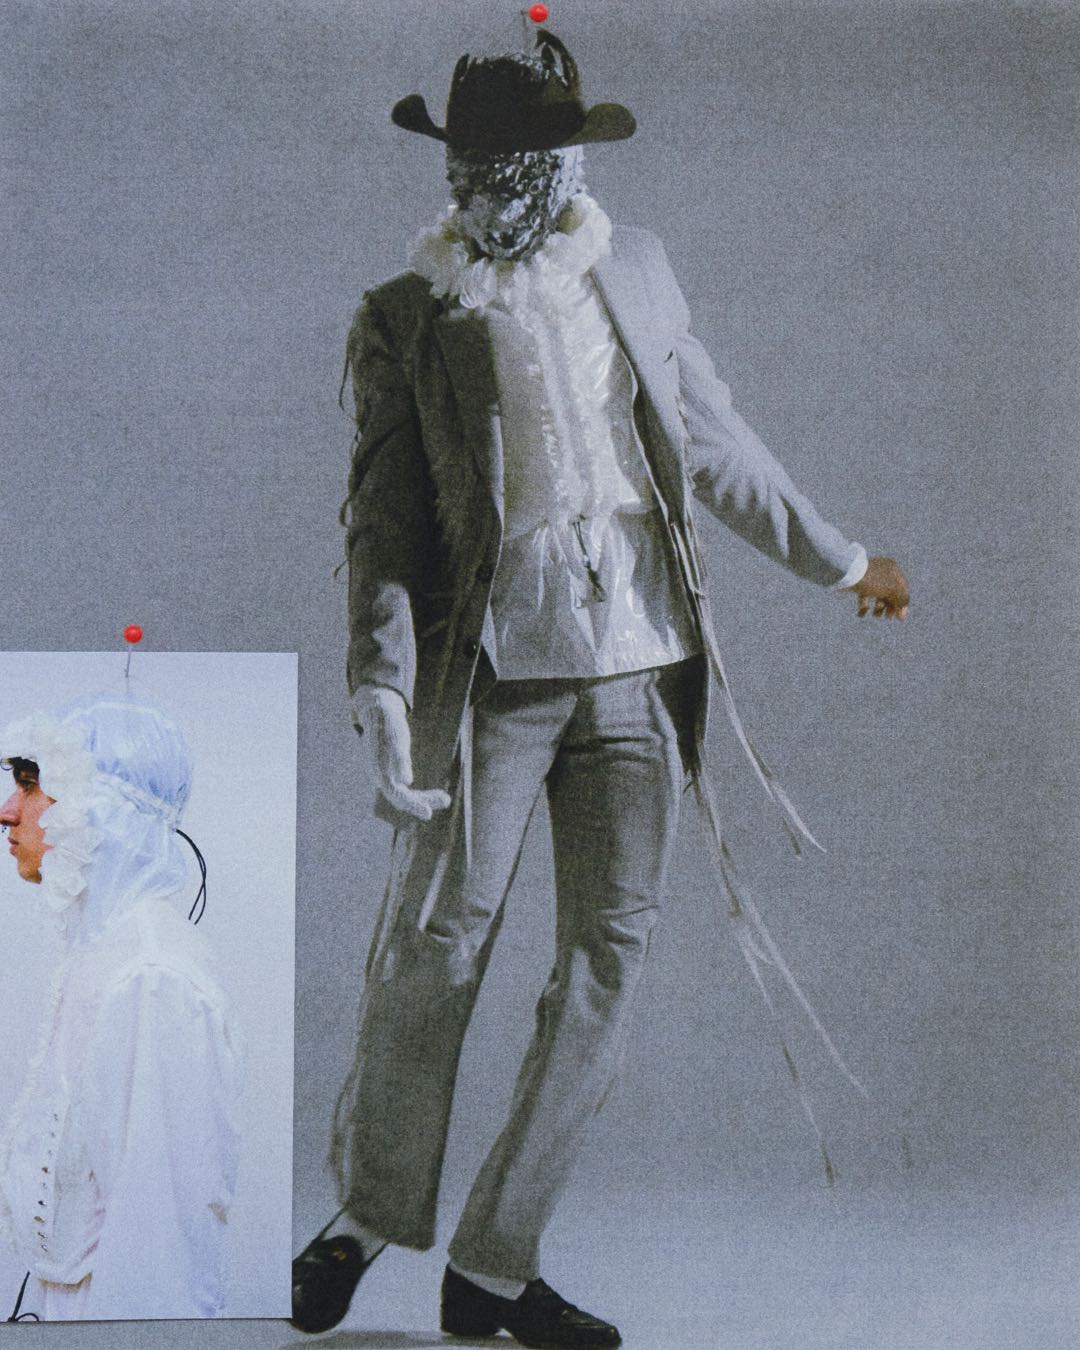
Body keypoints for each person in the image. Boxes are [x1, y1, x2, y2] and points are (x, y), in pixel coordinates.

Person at [292, 29, 909, 1348]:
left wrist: (845, 559)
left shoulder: (636, 270)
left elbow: (716, 447)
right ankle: (366, 1212)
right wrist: (382, 686)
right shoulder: (409, 313)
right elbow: (384, 524)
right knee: (436, 941)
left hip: (642, 669)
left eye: (511, 163)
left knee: (605, 965)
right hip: (495, 676)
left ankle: (494, 1266)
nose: (489, 188)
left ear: (562, 163)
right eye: (469, 166)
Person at [0, 694, 242, 1321]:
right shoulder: (105, 957)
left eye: (32, 784)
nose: (7, 811)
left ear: (100, 806)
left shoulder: (150, 980)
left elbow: (160, 1259)